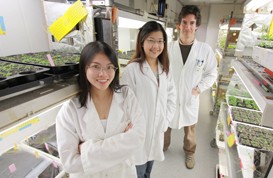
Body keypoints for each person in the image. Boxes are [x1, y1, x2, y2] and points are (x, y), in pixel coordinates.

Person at [56, 41, 146, 178]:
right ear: (84, 68)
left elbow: (138, 137)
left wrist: (87, 151)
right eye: (96, 67)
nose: (103, 74)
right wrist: (122, 143)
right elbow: (69, 163)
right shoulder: (70, 110)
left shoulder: (126, 95)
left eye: (109, 67)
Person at [164, 5, 218, 169]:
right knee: (165, 127)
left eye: (191, 23)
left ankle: (189, 153)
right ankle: (162, 148)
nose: (187, 27)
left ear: (197, 25)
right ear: (179, 24)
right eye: (184, 22)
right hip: (169, 97)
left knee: (190, 132)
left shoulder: (205, 50)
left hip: (190, 98)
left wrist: (199, 88)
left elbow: (211, 74)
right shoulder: (168, 47)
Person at [121, 21, 176, 178]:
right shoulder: (133, 69)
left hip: (157, 131)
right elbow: (124, 102)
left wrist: (166, 120)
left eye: (160, 41)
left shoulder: (164, 69)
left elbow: (172, 96)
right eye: (151, 40)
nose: (156, 46)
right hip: (137, 134)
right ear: (142, 41)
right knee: (137, 171)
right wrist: (129, 126)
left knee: (148, 172)